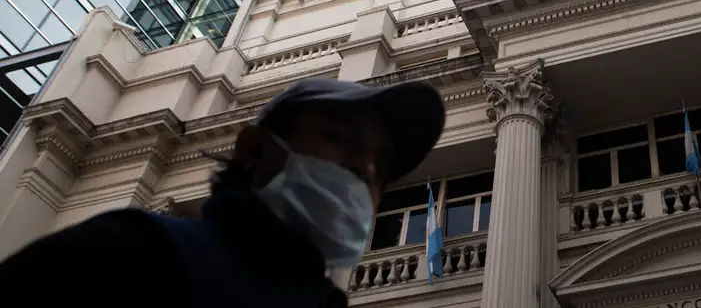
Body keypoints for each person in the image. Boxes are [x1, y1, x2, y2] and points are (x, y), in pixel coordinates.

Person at [0, 78, 445, 308]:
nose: (365, 169)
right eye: (338, 138)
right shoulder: (131, 253)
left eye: (381, 167)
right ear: (254, 150)